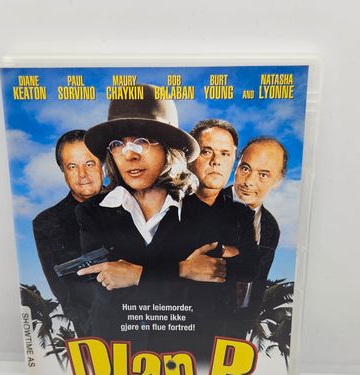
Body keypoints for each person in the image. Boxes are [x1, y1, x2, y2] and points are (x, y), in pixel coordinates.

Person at [76, 85, 232, 355]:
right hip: (114, 357)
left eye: (143, 141)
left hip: (185, 360)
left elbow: (205, 299)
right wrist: (183, 270)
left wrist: (135, 274)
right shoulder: (92, 212)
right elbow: (106, 290)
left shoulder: (203, 213)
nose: (130, 154)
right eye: (118, 145)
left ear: (170, 148)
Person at [183, 119, 259, 346]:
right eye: (206, 152)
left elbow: (251, 267)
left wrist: (217, 250)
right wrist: (232, 252)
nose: (216, 161)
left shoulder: (242, 214)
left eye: (225, 154)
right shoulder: (169, 208)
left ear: (234, 161)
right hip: (177, 327)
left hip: (225, 329)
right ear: (190, 159)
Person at [32, 130, 104, 337]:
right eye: (72, 167)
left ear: (103, 165)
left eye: (89, 164)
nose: (82, 175)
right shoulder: (46, 223)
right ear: (63, 171)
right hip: (94, 332)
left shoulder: (134, 202)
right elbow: (63, 291)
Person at [230, 136, 288, 333]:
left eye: (263, 175)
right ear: (237, 166)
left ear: (278, 181)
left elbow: (259, 281)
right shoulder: (207, 205)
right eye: (245, 168)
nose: (248, 182)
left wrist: (247, 323)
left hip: (239, 326)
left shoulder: (271, 227)